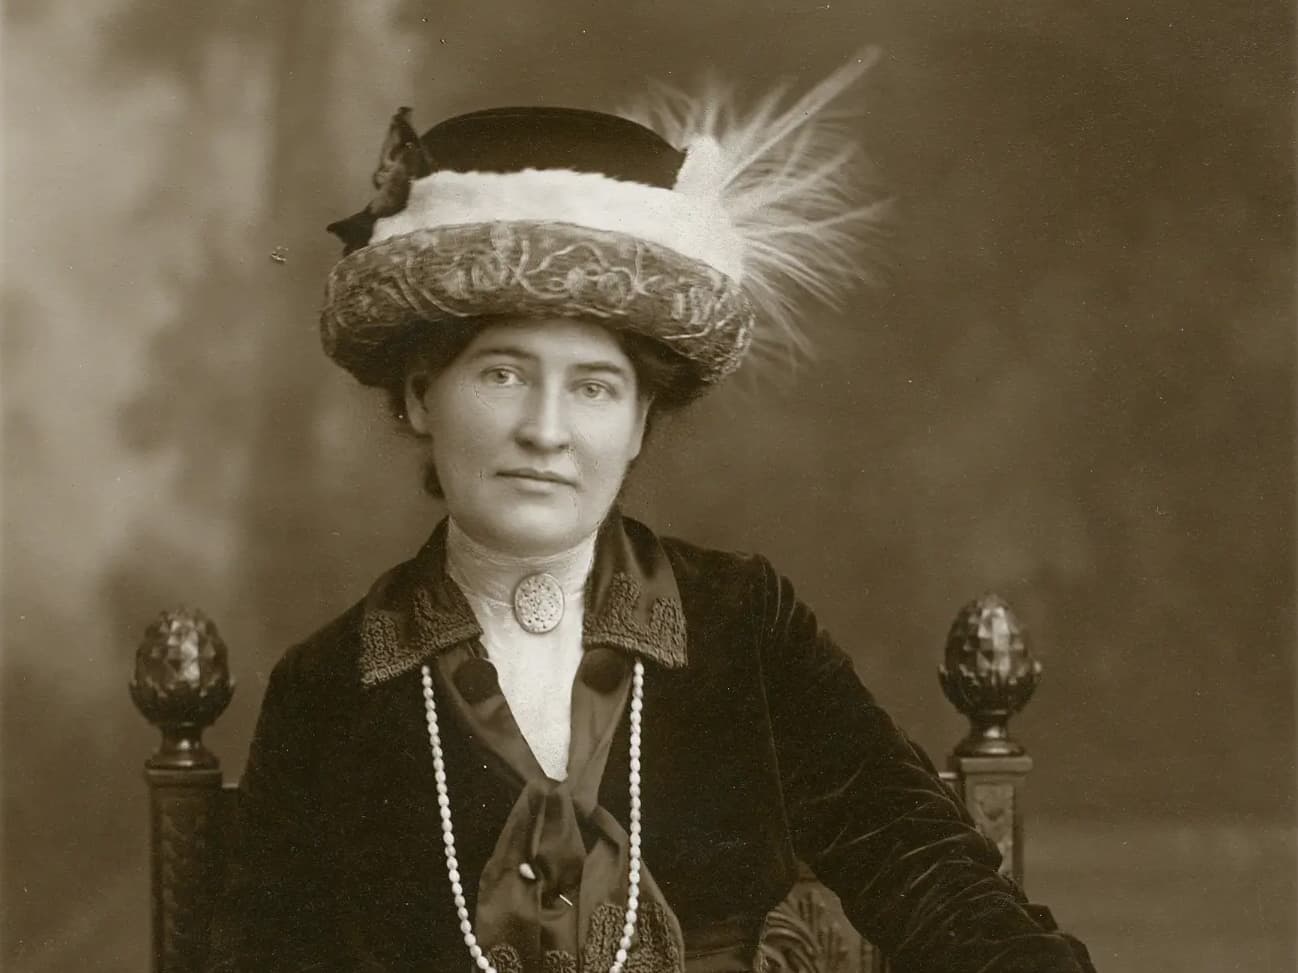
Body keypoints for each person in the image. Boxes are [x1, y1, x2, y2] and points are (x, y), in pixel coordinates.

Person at [206, 53, 1097, 973]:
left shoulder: (743, 625)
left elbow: (926, 871)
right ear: (422, 395)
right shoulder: (328, 688)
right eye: (504, 374)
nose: (546, 430)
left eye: (594, 388)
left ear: (639, 424)